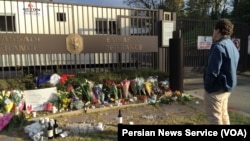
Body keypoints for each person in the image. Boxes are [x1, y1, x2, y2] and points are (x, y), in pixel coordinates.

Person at [203, 18, 240, 125]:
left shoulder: (218, 47)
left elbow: (212, 71)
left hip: (215, 90)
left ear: (218, 30)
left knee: (215, 118)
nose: (213, 33)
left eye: (214, 30)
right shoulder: (232, 45)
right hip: (226, 88)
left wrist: (208, 87)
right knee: (223, 115)